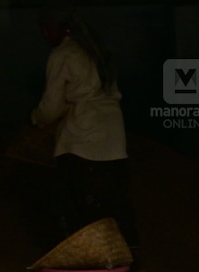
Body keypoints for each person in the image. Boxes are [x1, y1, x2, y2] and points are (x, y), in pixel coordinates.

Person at [31, 1, 138, 253]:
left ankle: (85, 256)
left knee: (76, 203)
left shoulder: (63, 55)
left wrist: (35, 119)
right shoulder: (97, 51)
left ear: (65, 29)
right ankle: (129, 254)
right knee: (116, 201)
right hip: (114, 137)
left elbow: (51, 106)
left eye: (49, 29)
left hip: (82, 139)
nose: (46, 35)